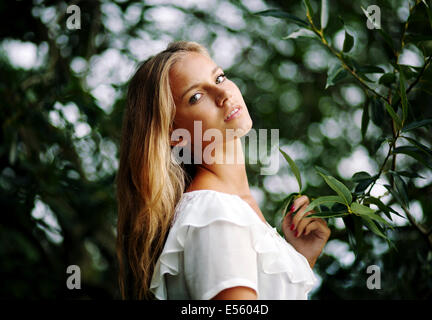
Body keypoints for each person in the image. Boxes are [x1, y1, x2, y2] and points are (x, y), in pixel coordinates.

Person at [116, 41, 331, 300]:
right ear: (174, 135)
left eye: (219, 77)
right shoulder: (215, 213)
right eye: (196, 97)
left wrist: (302, 259)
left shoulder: (229, 208)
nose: (223, 94)